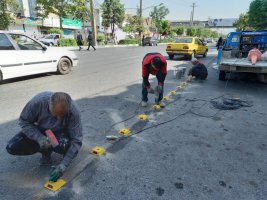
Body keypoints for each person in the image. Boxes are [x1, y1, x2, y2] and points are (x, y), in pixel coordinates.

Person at [6, 92, 82, 182]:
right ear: (49, 103)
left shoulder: (74, 112)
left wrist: (63, 165)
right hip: (40, 131)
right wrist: (39, 138)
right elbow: (24, 121)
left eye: (62, 116)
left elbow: (76, 140)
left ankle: (51, 148)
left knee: (65, 145)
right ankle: (45, 151)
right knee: (12, 147)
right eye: (55, 115)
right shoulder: (38, 102)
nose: (59, 119)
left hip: (59, 133)